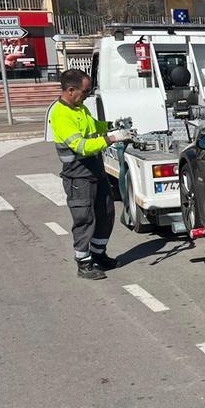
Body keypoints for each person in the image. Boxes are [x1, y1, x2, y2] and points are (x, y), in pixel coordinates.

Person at [47, 69, 131, 280]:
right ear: (70, 90)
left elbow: (94, 128)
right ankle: (84, 263)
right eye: (85, 91)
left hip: (95, 171)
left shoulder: (80, 108)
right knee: (84, 218)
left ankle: (99, 255)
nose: (88, 95)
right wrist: (111, 139)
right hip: (78, 175)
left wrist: (113, 126)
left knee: (106, 214)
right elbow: (81, 146)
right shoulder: (60, 114)